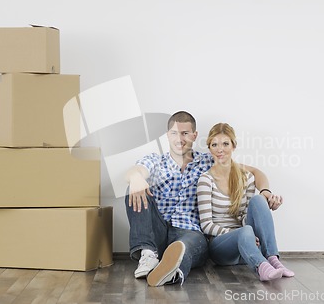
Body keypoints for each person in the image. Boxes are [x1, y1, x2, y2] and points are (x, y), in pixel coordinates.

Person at [125, 111, 270, 287]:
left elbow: (254, 172)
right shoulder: (156, 161)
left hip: (190, 231)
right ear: (167, 136)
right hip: (157, 230)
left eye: (185, 133)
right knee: (132, 189)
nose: (180, 139)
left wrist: (265, 192)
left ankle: (173, 272)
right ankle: (147, 254)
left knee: (186, 248)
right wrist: (136, 178)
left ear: (194, 136)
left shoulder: (209, 161)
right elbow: (135, 171)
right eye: (174, 133)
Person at [197, 123, 294, 281]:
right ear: (209, 148)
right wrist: (239, 233)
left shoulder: (246, 177)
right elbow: (206, 225)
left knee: (258, 199)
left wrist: (248, 235)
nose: (220, 149)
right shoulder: (205, 180)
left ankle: (274, 260)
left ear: (233, 146)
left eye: (225, 143)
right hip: (222, 249)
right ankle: (260, 266)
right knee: (245, 231)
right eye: (214, 144)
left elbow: (244, 214)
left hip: (249, 246)